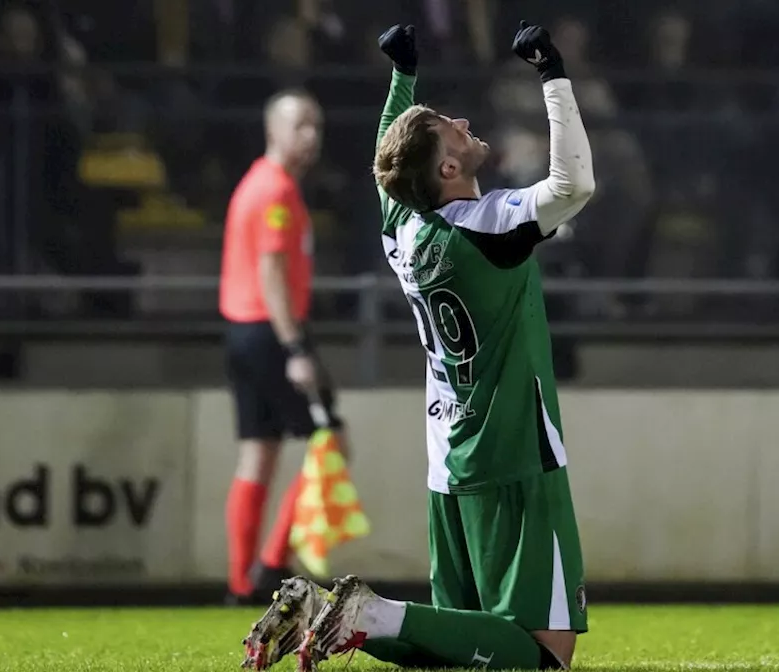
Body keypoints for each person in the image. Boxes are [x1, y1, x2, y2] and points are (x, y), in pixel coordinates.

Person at [241, 20, 594, 671]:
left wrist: (403, 79)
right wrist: (553, 76)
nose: (462, 119)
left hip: (448, 459)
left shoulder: (404, 231)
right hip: (514, 452)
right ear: (451, 167)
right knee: (545, 656)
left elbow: (390, 164)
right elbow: (574, 186)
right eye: (451, 128)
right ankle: (369, 615)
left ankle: (326, 615)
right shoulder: (487, 226)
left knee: (457, 649)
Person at [220, 88, 347, 606]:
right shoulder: (274, 192)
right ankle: (272, 565)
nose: (311, 136)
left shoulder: (259, 183)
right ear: (273, 130)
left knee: (259, 455)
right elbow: (271, 273)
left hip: (243, 330)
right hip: (272, 331)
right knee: (329, 441)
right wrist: (295, 347)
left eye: (315, 125)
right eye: (300, 126)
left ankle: (240, 583)